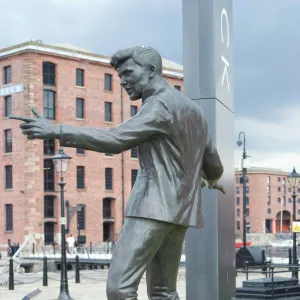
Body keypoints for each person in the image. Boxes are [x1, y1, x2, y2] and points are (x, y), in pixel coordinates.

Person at [10, 46, 225, 300]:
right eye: (119, 76)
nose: (122, 81)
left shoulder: (159, 106)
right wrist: (206, 180)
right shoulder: (196, 113)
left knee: (119, 288)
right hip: (180, 214)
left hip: (151, 208)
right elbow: (214, 167)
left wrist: (56, 130)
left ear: (152, 71)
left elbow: (114, 139)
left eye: (128, 73)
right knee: (164, 292)